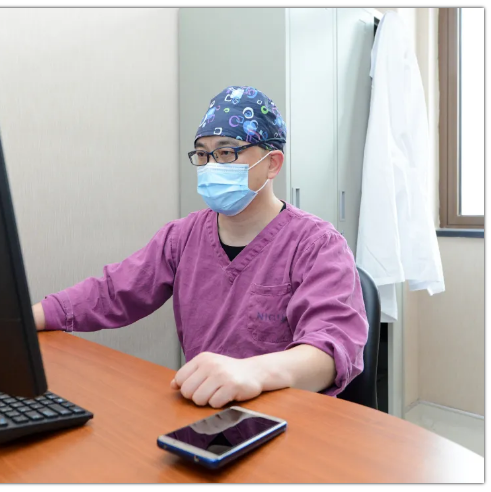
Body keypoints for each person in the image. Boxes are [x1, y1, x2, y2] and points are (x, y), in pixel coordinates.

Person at [33, 85, 368, 408]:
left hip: (288, 422)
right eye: (204, 154)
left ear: (272, 163)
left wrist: (253, 372)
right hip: (206, 413)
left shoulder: (316, 245)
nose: (211, 166)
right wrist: (25, 318)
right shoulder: (182, 237)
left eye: (226, 152)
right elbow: (112, 292)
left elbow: (332, 348)